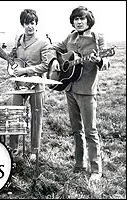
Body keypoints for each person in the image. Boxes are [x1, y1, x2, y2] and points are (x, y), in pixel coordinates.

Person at [0, 9, 58, 160]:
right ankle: (13, 148)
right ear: (23, 24)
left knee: (36, 117)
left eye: (32, 23)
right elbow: (12, 59)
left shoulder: (43, 42)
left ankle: (34, 150)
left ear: (36, 24)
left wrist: (25, 70)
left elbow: (46, 65)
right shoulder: (18, 39)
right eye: (27, 23)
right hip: (19, 85)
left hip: (36, 85)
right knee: (14, 116)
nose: (30, 26)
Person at [51, 6, 110, 182]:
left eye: (82, 19)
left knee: (90, 131)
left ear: (88, 20)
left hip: (86, 90)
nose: (78, 22)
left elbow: (106, 62)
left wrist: (99, 60)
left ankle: (96, 170)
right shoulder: (70, 36)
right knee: (77, 130)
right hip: (69, 88)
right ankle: (79, 164)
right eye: (76, 19)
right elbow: (55, 48)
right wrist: (55, 59)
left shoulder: (97, 37)